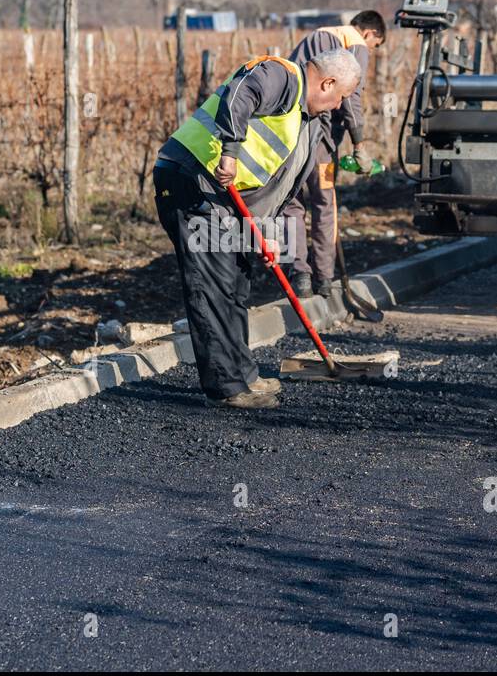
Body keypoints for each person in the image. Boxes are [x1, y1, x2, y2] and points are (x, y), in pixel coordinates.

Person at [153, 48, 361, 409]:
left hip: (229, 201)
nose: (335, 106)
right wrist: (229, 152)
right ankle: (227, 387)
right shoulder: (281, 76)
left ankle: (244, 373)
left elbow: (279, 188)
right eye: (339, 97)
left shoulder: (308, 122)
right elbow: (239, 94)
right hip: (193, 180)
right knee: (213, 284)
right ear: (326, 82)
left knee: (236, 282)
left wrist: (264, 235)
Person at [282, 11, 386, 297]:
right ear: (369, 34)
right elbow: (351, 98)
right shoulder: (355, 44)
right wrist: (359, 144)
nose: (371, 51)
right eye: (376, 45)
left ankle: (299, 275)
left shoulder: (315, 36)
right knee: (324, 203)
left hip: (289, 138)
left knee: (291, 203)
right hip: (321, 144)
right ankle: (325, 279)